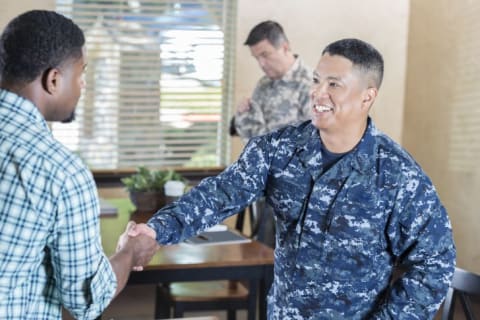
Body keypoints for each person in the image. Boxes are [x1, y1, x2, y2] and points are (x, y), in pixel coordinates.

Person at [131, 38, 456, 319]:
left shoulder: (399, 176)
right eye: (316, 80)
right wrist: (157, 230)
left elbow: (435, 263)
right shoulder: (277, 149)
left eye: (334, 84)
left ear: (367, 97)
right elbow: (218, 194)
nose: (317, 93)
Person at [0, 10, 158, 319]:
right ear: (54, 79)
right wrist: (130, 253)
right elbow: (86, 300)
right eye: (81, 73)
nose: (84, 85)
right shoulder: (60, 172)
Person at [230, 20, 312, 141]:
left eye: (265, 55)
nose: (261, 64)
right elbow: (254, 138)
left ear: (285, 47)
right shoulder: (263, 83)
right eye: (256, 58)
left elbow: (314, 144)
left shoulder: (311, 84)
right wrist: (242, 116)